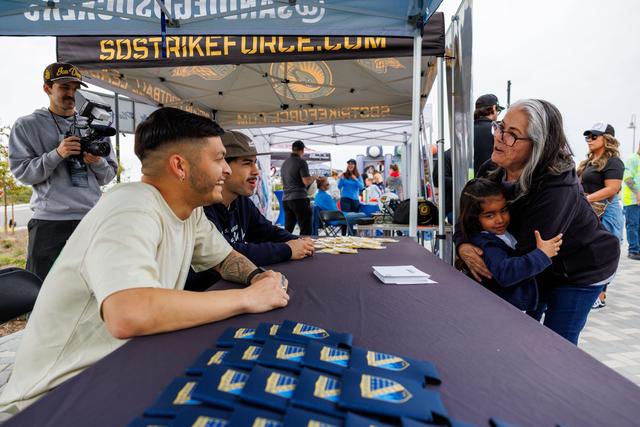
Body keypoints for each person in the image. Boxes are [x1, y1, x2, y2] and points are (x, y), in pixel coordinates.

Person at [0, 108, 289, 416]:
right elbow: (129, 313)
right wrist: (247, 299)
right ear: (179, 165)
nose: (227, 170)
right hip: (53, 399)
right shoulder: (130, 206)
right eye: (219, 159)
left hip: (119, 372)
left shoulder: (189, 211)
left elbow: (225, 258)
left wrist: (259, 278)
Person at [456, 99, 620, 345]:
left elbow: (523, 261)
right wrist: (462, 243)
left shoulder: (556, 187)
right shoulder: (492, 169)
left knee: (556, 344)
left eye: (512, 134)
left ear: (538, 145)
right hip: (535, 261)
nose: (499, 137)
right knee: (523, 334)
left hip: (579, 268)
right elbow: (470, 212)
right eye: (500, 127)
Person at [8, 62, 118, 281]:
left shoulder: (94, 124)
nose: (71, 94)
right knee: (41, 287)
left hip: (90, 217)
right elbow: (23, 174)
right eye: (64, 87)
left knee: (91, 284)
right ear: (47, 88)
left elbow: (107, 176)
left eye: (75, 88)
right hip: (49, 221)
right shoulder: (27, 126)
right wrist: (57, 154)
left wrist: (97, 162)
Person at [203, 130, 316, 266]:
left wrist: (299, 242)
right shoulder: (201, 208)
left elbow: (267, 232)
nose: (256, 171)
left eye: (255, 163)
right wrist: (288, 249)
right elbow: (227, 254)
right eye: (247, 163)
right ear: (223, 166)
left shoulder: (242, 202)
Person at [460, 178, 563, 310]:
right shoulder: (486, 244)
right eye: (489, 215)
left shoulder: (504, 233)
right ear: (474, 218)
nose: (500, 220)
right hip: (502, 311)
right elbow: (506, 273)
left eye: (504, 211)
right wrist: (541, 255)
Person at [577, 122, 624, 309]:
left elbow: (613, 188)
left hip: (607, 212)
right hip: (590, 211)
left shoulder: (614, 162)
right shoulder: (589, 162)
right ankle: (592, 291)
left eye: (594, 136)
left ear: (607, 139)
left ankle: (600, 295)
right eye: (587, 136)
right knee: (588, 251)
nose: (589, 139)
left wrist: (585, 199)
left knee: (604, 253)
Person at [280, 140, 317, 235]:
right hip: (299, 199)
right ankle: (305, 245)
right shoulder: (301, 162)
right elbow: (306, 181)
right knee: (306, 229)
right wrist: (314, 177)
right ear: (302, 150)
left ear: (292, 149)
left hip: (286, 200)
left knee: (288, 229)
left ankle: (283, 244)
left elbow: (282, 182)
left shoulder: (284, 163)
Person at [474, 94, 504, 174]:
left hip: (469, 180)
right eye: (498, 110)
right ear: (494, 108)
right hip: (491, 178)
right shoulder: (497, 130)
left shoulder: (466, 131)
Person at [622, 146, 640, 261]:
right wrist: (638, 193)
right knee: (633, 225)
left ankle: (638, 249)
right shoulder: (632, 159)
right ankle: (633, 251)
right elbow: (628, 179)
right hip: (631, 200)